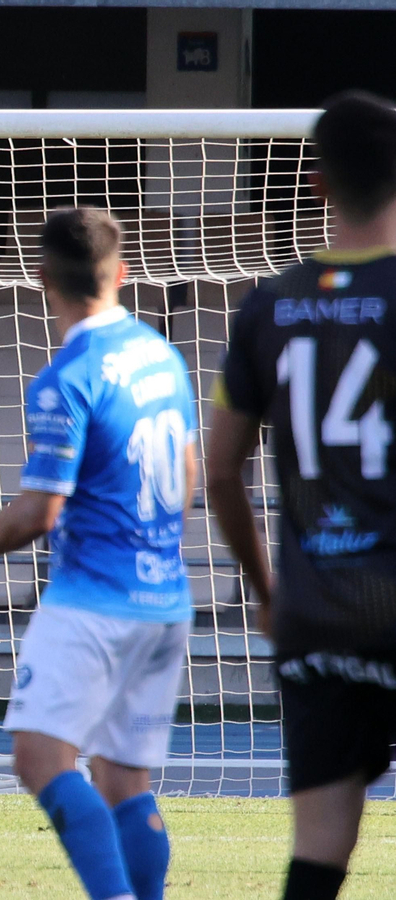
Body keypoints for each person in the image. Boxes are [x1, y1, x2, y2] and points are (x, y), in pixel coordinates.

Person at [0, 208, 197, 900]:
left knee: (39, 757)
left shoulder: (69, 376)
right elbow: (188, 470)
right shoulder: (163, 355)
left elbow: (37, 513)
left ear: (41, 278)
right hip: (164, 595)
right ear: (123, 273)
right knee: (124, 779)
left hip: (95, 597)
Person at [206, 91, 396, 900]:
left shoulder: (268, 305)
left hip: (316, 602)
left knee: (320, 850)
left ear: (315, 182)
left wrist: (265, 589)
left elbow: (218, 471)